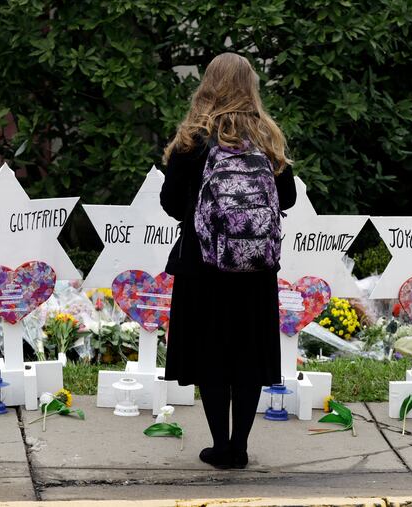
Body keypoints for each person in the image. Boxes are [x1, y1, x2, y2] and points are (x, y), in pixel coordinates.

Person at [160, 53, 297, 469]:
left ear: (208, 84)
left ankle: (220, 446)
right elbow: (287, 198)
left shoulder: (193, 139)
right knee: (249, 357)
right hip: (255, 270)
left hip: (204, 268)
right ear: (250, 87)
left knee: (212, 356)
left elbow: (170, 203)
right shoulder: (267, 137)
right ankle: (241, 446)